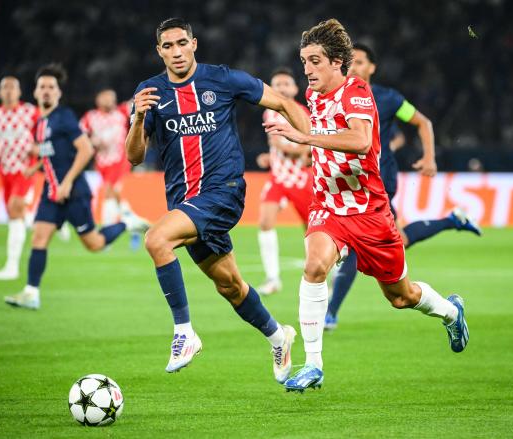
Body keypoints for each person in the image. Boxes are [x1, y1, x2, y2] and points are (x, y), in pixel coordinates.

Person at [263, 19, 469, 392]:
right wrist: (281, 111)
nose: (306, 69)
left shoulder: (356, 92)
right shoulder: (314, 95)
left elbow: (359, 140)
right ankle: (313, 365)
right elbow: (310, 125)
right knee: (314, 266)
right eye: (304, 61)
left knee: (400, 297)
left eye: (314, 61)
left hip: (370, 212)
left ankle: (452, 312)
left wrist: (305, 137)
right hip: (328, 205)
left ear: (337, 62)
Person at [125, 18, 310, 382]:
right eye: (168, 46)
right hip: (185, 201)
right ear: (159, 51)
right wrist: (138, 118)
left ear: (194, 44)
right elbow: (134, 157)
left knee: (156, 239)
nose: (176, 51)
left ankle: (184, 332)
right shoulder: (149, 92)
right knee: (231, 286)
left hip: (223, 191)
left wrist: (312, 142)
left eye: (182, 43)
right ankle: (279, 335)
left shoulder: (223, 80)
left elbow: (285, 103)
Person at [324, 43, 482, 330]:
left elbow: (423, 122)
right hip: (349, 183)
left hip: (379, 181)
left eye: (361, 62)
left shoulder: (388, 98)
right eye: (351, 62)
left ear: (372, 67)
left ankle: (330, 313)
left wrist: (429, 156)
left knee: (356, 246)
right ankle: (451, 220)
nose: (355, 66)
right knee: (400, 240)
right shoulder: (338, 96)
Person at [4, 64, 148, 310]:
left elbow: (85, 149)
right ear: (36, 93)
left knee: (94, 244)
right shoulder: (40, 123)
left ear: (58, 93)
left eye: (52, 87)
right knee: (39, 237)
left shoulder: (64, 117)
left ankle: (127, 223)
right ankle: (31, 293)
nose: (47, 91)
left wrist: (68, 182)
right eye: (43, 87)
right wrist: (37, 164)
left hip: (74, 192)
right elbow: (55, 151)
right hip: (52, 192)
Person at [0, 76, 39, 280]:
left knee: (15, 207)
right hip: (5, 169)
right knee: (15, 214)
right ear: (0, 93)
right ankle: (45, 221)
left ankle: (12, 267)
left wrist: (37, 151)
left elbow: (45, 137)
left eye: (13, 87)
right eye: (5, 87)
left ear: (19, 92)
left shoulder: (30, 112)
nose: (9, 91)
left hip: (25, 167)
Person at [256, 67, 312, 295]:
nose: (280, 88)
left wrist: (296, 150)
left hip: (300, 179)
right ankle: (272, 279)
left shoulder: (302, 113)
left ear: (295, 89)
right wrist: (272, 156)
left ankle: (320, 277)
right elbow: (278, 144)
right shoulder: (270, 111)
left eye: (285, 84)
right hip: (278, 178)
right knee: (265, 221)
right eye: (276, 84)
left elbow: (310, 144)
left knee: (313, 230)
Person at [80, 89, 145, 248]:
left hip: (120, 158)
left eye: (111, 97)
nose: (109, 100)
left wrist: (163, 78)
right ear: (98, 99)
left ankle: (106, 237)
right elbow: (79, 134)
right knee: (114, 195)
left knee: (109, 192)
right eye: (105, 97)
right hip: (102, 162)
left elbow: (138, 101)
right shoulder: (91, 117)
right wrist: (92, 141)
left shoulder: (122, 111)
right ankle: (132, 221)